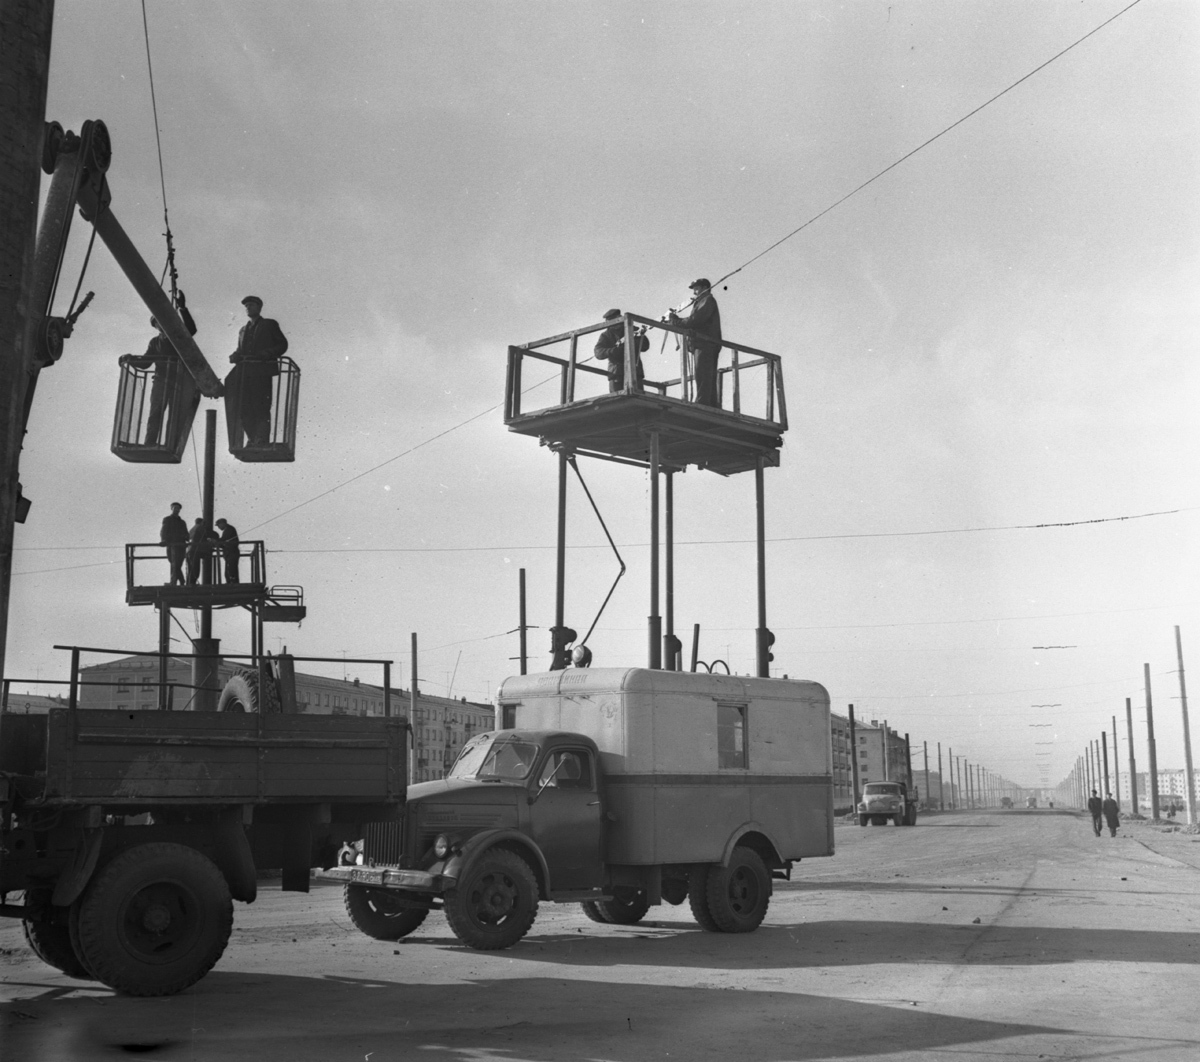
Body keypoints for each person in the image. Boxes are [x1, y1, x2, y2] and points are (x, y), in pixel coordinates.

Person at [123, 293, 199, 447]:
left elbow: (191, 329)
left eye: (162, 321)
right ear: (155, 326)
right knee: (155, 413)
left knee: (174, 415)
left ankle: (170, 444)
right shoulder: (155, 342)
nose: (160, 324)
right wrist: (131, 359)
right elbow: (146, 363)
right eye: (157, 323)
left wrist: (183, 308)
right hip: (161, 381)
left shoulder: (178, 336)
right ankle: (149, 443)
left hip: (178, 381)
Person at [226, 295, 288, 447]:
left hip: (261, 372)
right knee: (244, 407)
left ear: (259, 308)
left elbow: (282, 345)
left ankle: (261, 439)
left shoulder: (269, 324)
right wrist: (236, 355)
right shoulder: (243, 330)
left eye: (251, 305)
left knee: (261, 406)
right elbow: (241, 350)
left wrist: (267, 353)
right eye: (246, 306)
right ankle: (252, 438)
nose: (248, 308)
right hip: (245, 374)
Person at [669, 278, 722, 407]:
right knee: (706, 374)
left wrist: (676, 321)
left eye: (696, 288)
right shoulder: (702, 301)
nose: (694, 292)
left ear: (705, 287)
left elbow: (695, 320)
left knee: (703, 374)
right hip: (704, 343)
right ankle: (710, 403)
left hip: (705, 343)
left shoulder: (707, 300)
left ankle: (703, 403)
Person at [593, 309, 647, 393]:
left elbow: (645, 346)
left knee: (637, 396)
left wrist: (635, 340)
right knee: (617, 399)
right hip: (616, 373)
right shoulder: (606, 335)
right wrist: (614, 350)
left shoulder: (633, 330)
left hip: (635, 372)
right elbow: (598, 352)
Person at [160, 502, 188, 586]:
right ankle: (179, 581)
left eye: (178, 508)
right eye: (175, 508)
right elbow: (163, 531)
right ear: (171, 509)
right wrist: (163, 540)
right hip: (172, 545)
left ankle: (176, 581)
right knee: (174, 562)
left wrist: (186, 537)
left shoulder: (182, 522)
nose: (176, 509)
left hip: (181, 545)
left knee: (178, 563)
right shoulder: (167, 519)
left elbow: (186, 532)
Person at [185, 518, 218, 586]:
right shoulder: (200, 528)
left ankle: (189, 583)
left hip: (190, 550)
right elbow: (204, 538)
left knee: (191, 569)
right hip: (196, 550)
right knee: (195, 569)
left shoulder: (192, 529)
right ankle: (192, 584)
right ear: (202, 523)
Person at [215, 518, 240, 584]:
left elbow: (224, 539)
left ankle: (232, 583)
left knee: (231, 569)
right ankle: (232, 582)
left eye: (218, 525)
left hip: (231, 552)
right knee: (230, 570)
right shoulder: (228, 529)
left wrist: (215, 541)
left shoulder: (229, 529)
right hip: (230, 553)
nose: (218, 527)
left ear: (223, 523)